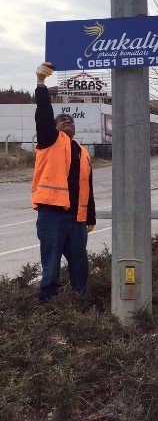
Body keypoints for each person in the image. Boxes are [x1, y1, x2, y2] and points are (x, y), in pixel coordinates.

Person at [32, 62, 96, 303]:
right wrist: (41, 84)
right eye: (63, 119)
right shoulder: (49, 140)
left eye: (71, 120)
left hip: (77, 220)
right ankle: (48, 305)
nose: (68, 121)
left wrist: (90, 217)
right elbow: (44, 114)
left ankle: (78, 302)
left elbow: (86, 189)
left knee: (80, 265)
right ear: (55, 126)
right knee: (51, 266)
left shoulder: (83, 151)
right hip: (52, 215)